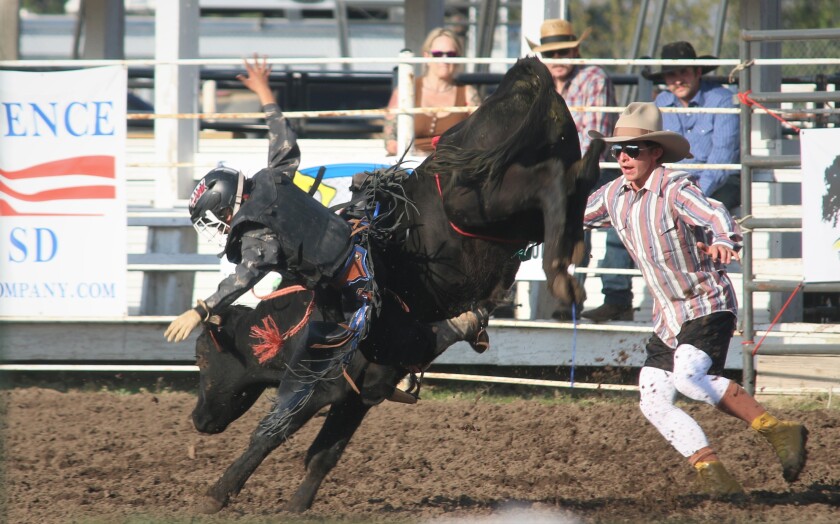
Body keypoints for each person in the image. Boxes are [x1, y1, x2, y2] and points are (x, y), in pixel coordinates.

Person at [164, 55, 484, 359]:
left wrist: (201, 310)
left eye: (215, 220)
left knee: (377, 349)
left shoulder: (256, 234)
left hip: (350, 280)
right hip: (357, 238)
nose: (218, 228)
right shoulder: (270, 179)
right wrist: (264, 91)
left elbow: (244, 278)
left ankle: (459, 326)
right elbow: (284, 141)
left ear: (226, 210)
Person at [583, 102, 807, 496]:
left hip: (706, 302)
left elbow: (718, 215)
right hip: (669, 316)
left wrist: (723, 241)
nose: (622, 157)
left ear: (655, 152)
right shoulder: (613, 195)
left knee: (688, 377)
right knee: (652, 398)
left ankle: (778, 430)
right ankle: (714, 475)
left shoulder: (675, 188)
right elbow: (571, 214)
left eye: (632, 149)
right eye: (618, 150)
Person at [527, 19, 632, 322]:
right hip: (554, 174)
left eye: (563, 53)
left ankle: (615, 297)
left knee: (598, 229)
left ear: (575, 52)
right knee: (563, 231)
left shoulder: (593, 78)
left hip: (595, 168)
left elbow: (595, 136)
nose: (557, 60)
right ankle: (568, 298)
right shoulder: (540, 86)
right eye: (552, 54)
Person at [643, 41, 741, 211]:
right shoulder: (661, 102)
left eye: (684, 72)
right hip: (672, 185)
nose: (678, 80)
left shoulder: (722, 100)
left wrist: (692, 197)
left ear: (698, 72)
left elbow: (722, 158)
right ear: (665, 80)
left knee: (700, 214)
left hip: (719, 184)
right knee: (628, 217)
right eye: (671, 75)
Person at [384, 28, 481, 156]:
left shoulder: (468, 92)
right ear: (426, 56)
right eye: (438, 54)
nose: (444, 60)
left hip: (453, 166)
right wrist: (417, 156)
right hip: (411, 163)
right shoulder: (406, 90)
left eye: (451, 55)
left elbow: (482, 135)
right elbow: (390, 141)